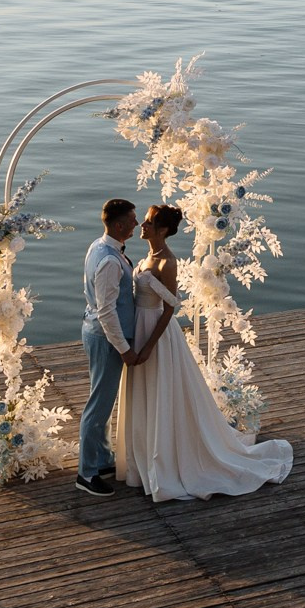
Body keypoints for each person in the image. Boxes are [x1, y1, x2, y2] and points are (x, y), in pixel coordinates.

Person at [113, 202, 293, 500]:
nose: (142, 226)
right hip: (140, 326)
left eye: (148, 222)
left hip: (157, 333)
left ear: (163, 230)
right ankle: (140, 460)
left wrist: (146, 347)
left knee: (162, 391)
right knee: (144, 392)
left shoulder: (166, 263)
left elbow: (170, 308)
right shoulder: (147, 257)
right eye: (142, 221)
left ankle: (169, 460)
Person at [75, 197, 144, 497]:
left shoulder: (98, 247)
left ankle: (101, 459)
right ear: (119, 225)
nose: (137, 224)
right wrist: (124, 348)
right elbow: (106, 311)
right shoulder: (108, 260)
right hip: (105, 338)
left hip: (98, 333)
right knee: (99, 406)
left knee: (103, 401)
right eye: (132, 219)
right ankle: (86, 473)